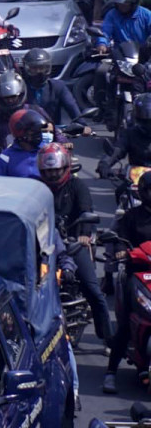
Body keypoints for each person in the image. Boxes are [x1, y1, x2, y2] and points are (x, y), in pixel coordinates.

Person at [37, 142, 112, 346]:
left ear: (65, 168)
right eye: (48, 171)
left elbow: (86, 210)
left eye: (56, 171)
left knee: (93, 291)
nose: (52, 175)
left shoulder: (77, 186)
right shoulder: (37, 188)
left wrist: (84, 235)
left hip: (73, 244)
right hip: (44, 245)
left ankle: (107, 338)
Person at [104, 164, 151, 392]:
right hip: (136, 274)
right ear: (143, 192)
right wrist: (121, 251)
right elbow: (118, 238)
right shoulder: (132, 217)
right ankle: (111, 372)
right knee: (125, 324)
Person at [22, 48, 86, 126]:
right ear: (27, 68)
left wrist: (82, 125)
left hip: (54, 130)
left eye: (42, 68)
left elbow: (71, 106)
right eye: (34, 68)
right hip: (26, 130)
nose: (39, 72)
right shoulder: (21, 88)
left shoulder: (58, 86)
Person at [0, 109, 53, 179]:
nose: (38, 134)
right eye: (33, 131)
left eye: (39, 131)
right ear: (20, 132)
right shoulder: (6, 157)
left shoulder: (47, 151)